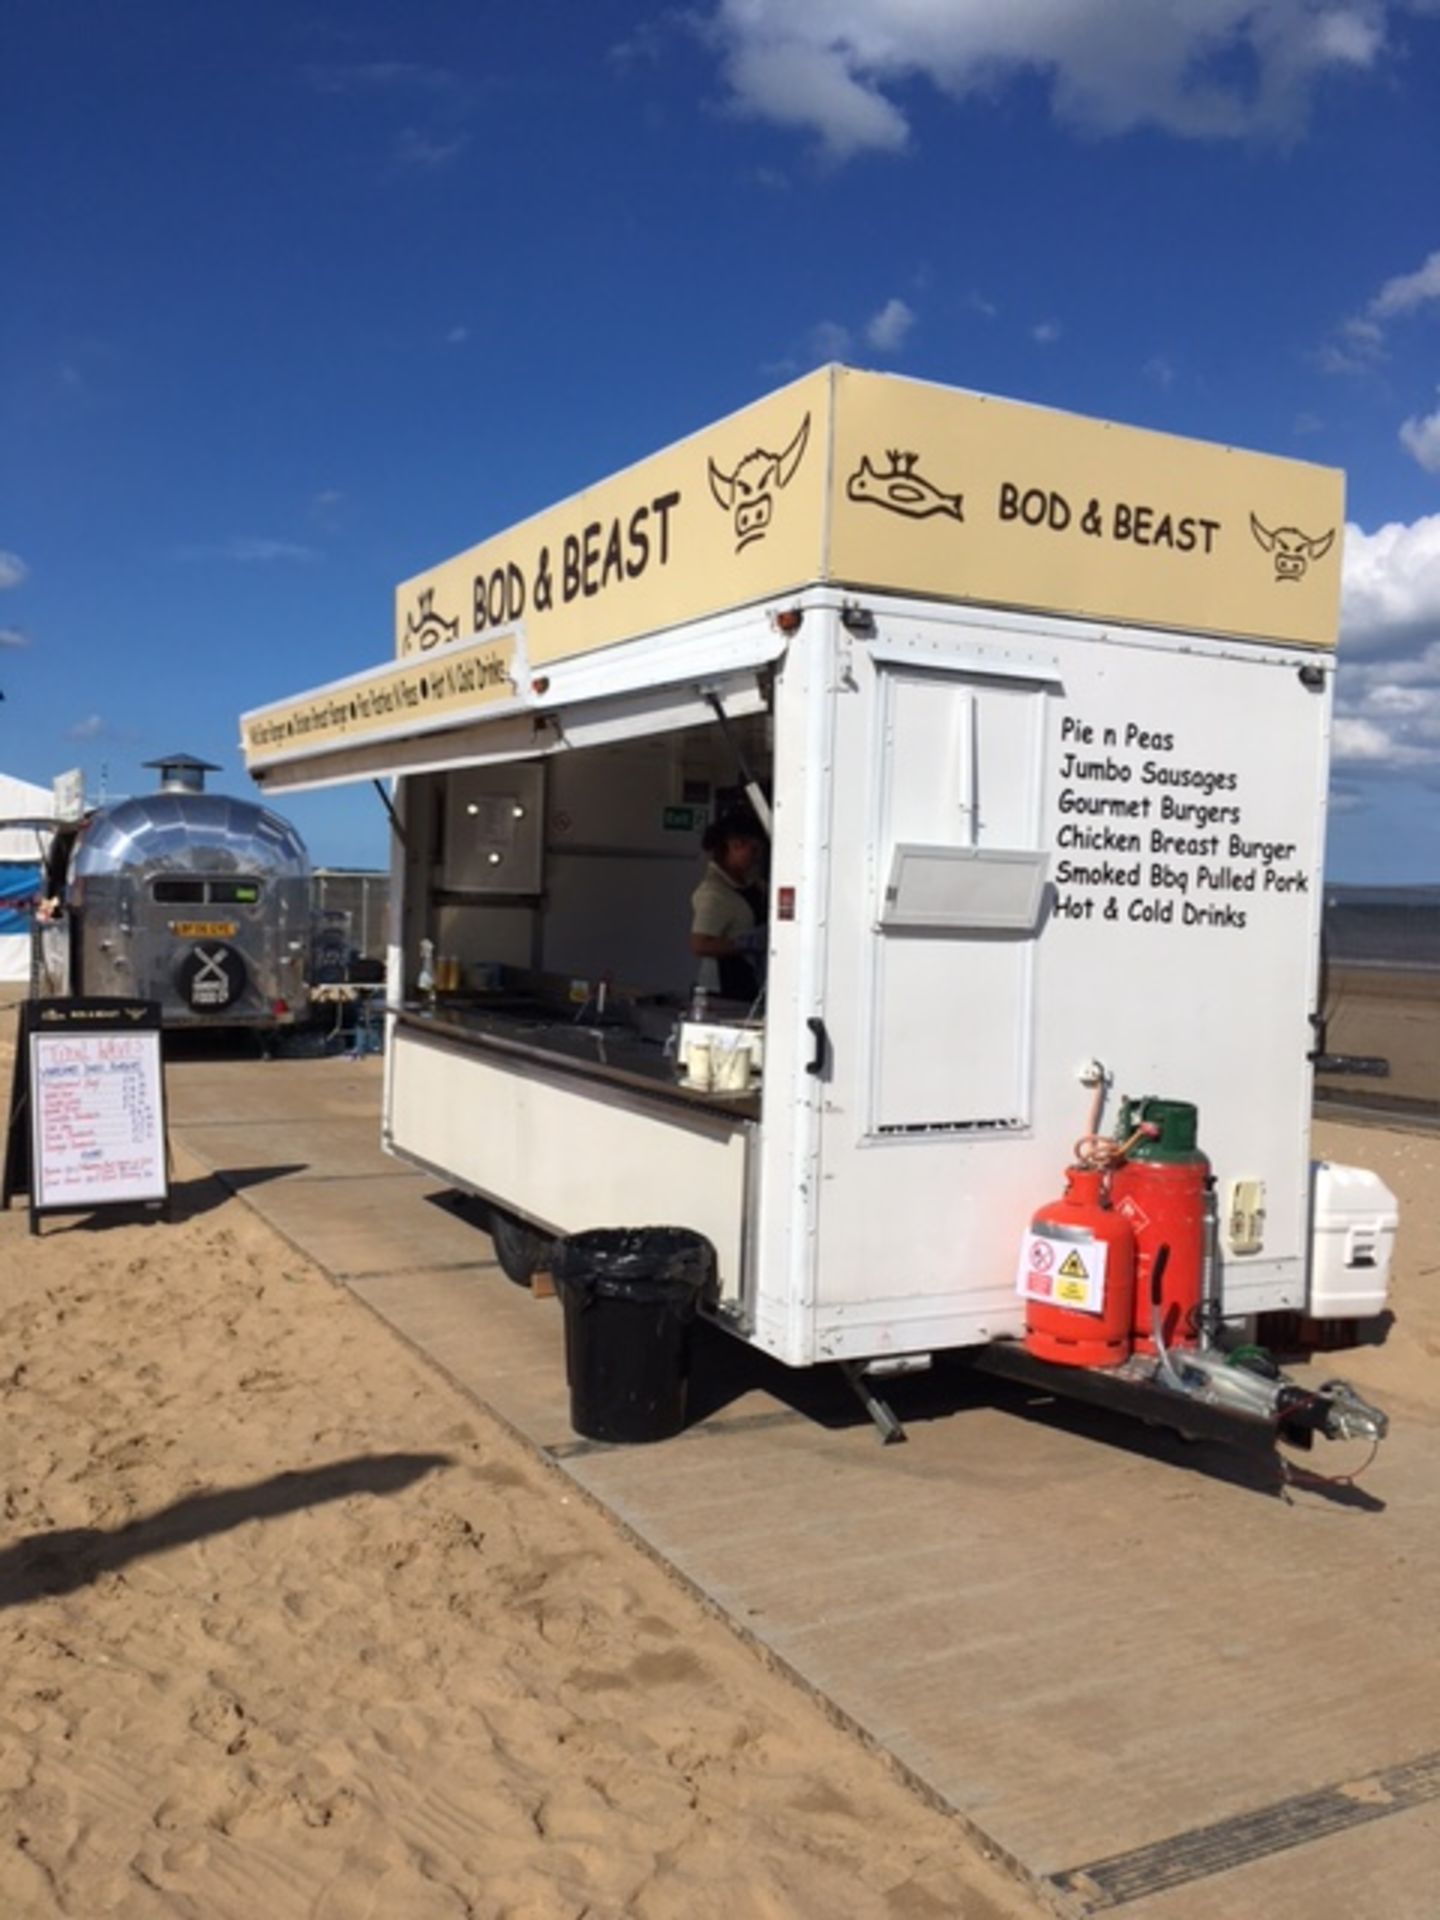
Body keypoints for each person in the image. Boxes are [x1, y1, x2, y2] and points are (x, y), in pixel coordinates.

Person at [690, 810, 767, 1003]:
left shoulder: (753, 883)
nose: (757, 857)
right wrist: (750, 943)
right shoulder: (714, 892)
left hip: (752, 978)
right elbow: (699, 944)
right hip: (724, 986)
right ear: (734, 846)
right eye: (753, 849)